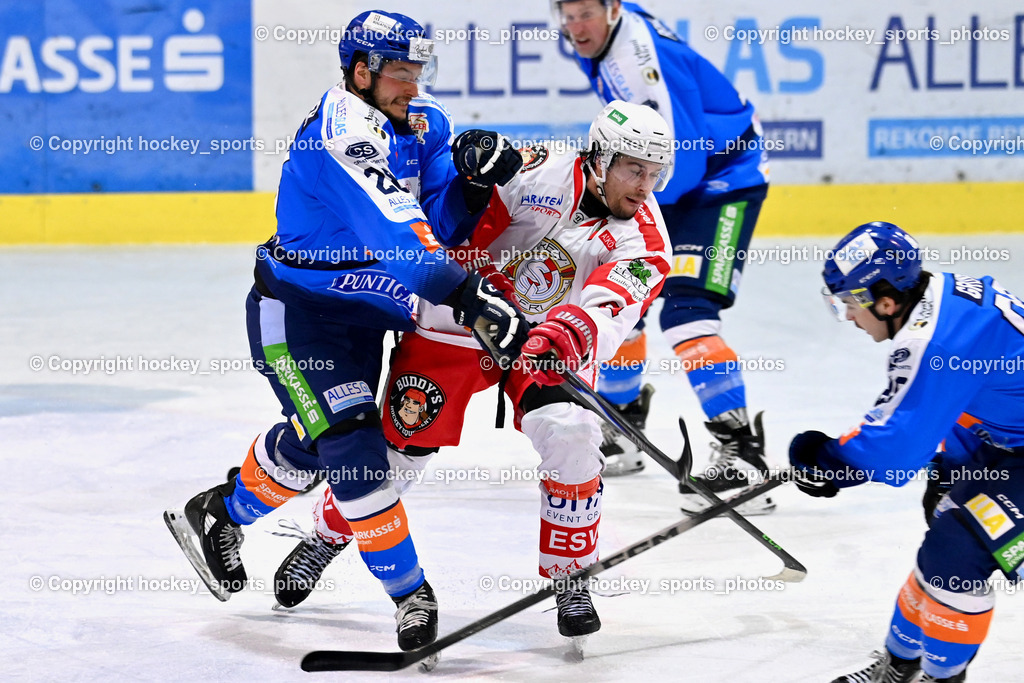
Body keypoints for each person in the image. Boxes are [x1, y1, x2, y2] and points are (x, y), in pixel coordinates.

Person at [163, 9, 527, 653]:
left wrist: (472, 184)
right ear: (360, 71)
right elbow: (404, 242)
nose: (411, 85)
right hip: (301, 316)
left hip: (369, 316)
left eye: (417, 71)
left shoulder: (424, 121)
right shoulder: (341, 135)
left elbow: (438, 221)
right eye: (397, 73)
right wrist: (470, 297)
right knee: (355, 455)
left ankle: (219, 512)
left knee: (312, 448)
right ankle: (412, 596)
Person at [272, 100, 673, 646]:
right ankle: (326, 535)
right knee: (395, 453)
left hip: (544, 341)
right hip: (459, 322)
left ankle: (571, 573)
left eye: (655, 173)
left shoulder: (645, 238)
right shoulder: (539, 172)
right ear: (599, 158)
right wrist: (474, 176)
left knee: (574, 433)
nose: (644, 186)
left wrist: (570, 331)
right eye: (633, 168)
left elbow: (614, 303)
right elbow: (450, 219)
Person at [553, 0, 772, 509]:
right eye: (566, 13)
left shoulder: (636, 58)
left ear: (609, 10)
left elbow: (687, 157)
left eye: (584, 12)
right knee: (621, 288)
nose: (574, 25)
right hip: (667, 180)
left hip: (720, 184)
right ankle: (624, 422)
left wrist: (628, 214)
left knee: (687, 314)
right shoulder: (608, 32)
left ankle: (743, 453)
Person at [789, 221, 1024, 682]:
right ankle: (899, 667)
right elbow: (966, 399)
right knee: (946, 536)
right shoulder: (941, 302)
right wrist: (953, 465)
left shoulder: (934, 340)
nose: (850, 317)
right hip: (1007, 446)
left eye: (850, 304)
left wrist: (832, 460)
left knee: (957, 551)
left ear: (886, 301)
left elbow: (898, 448)